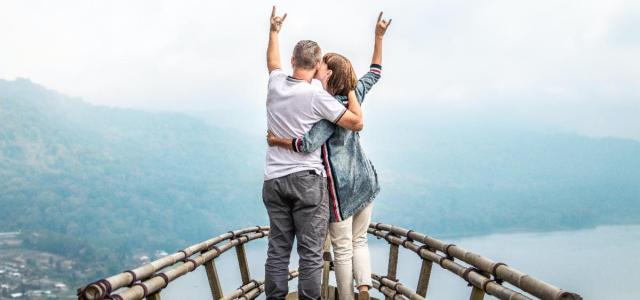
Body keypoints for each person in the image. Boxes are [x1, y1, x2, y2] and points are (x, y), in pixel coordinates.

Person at [267, 11, 392, 300]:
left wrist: (277, 139)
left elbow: (307, 143)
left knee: (343, 248)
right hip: (366, 182)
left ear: (328, 74)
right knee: (360, 241)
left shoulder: (326, 108)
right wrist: (379, 37)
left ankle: (347, 297)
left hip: (340, 190)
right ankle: (364, 289)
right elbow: (375, 72)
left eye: (324, 67)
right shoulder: (354, 92)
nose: (319, 69)